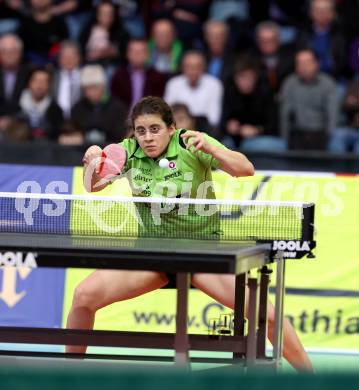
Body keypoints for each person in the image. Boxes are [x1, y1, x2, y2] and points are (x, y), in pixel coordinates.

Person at [66, 96, 313, 372]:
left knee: (267, 315)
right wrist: (92, 160)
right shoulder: (128, 151)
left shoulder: (190, 143)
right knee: (83, 297)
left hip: (202, 255)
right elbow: (94, 187)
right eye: (141, 130)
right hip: (152, 256)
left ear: (171, 128)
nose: (147, 138)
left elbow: (245, 169)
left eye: (155, 129)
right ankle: (71, 374)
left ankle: (311, 379)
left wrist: (211, 148)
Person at [280, 49, 337, 150]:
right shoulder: (289, 83)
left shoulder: (327, 83)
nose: (303, 67)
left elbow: (332, 114)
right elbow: (284, 114)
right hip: (297, 133)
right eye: (299, 63)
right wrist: (284, 138)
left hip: (320, 133)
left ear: (317, 64)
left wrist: (329, 136)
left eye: (307, 63)